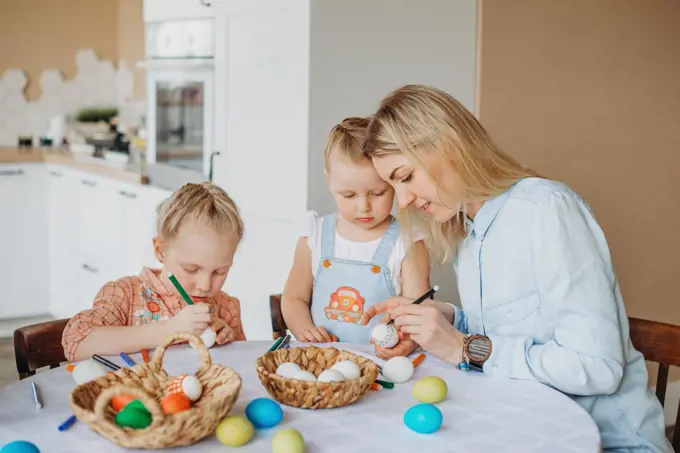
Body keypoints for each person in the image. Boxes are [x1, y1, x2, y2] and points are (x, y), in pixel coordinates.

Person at [360, 84, 672, 453]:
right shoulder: (468, 232)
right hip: (525, 431)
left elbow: (598, 366)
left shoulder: (546, 210)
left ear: (448, 146)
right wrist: (443, 319)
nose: (405, 200)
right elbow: (513, 328)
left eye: (406, 176)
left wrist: (465, 349)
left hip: (607, 444)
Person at [281, 117, 429, 358]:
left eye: (378, 193)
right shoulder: (314, 236)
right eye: (349, 195)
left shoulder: (408, 243)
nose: (364, 207)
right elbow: (293, 298)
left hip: (383, 361)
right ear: (330, 183)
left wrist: (405, 342)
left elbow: (418, 310)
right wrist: (305, 331)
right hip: (322, 359)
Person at [62, 182, 247, 362]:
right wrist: (169, 329)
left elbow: (244, 370)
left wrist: (228, 344)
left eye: (220, 272)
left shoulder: (226, 308)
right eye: (191, 269)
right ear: (160, 251)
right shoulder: (125, 295)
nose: (205, 286)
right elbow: (76, 343)